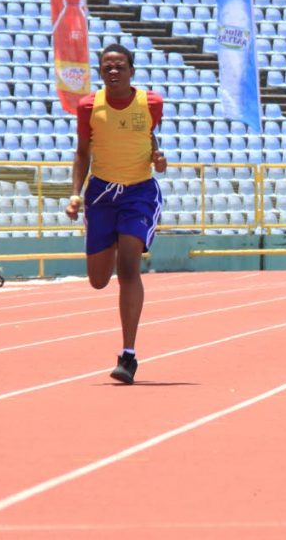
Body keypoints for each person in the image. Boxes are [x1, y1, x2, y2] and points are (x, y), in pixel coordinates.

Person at [65, 44, 167, 384]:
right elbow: (82, 152)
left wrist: (157, 158)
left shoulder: (151, 102)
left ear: (131, 70)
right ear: (100, 71)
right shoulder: (89, 106)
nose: (113, 71)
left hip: (139, 192)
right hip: (101, 194)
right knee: (97, 280)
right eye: (107, 66)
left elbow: (148, 133)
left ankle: (128, 355)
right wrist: (74, 194)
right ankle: (106, 241)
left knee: (128, 269)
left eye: (119, 66)